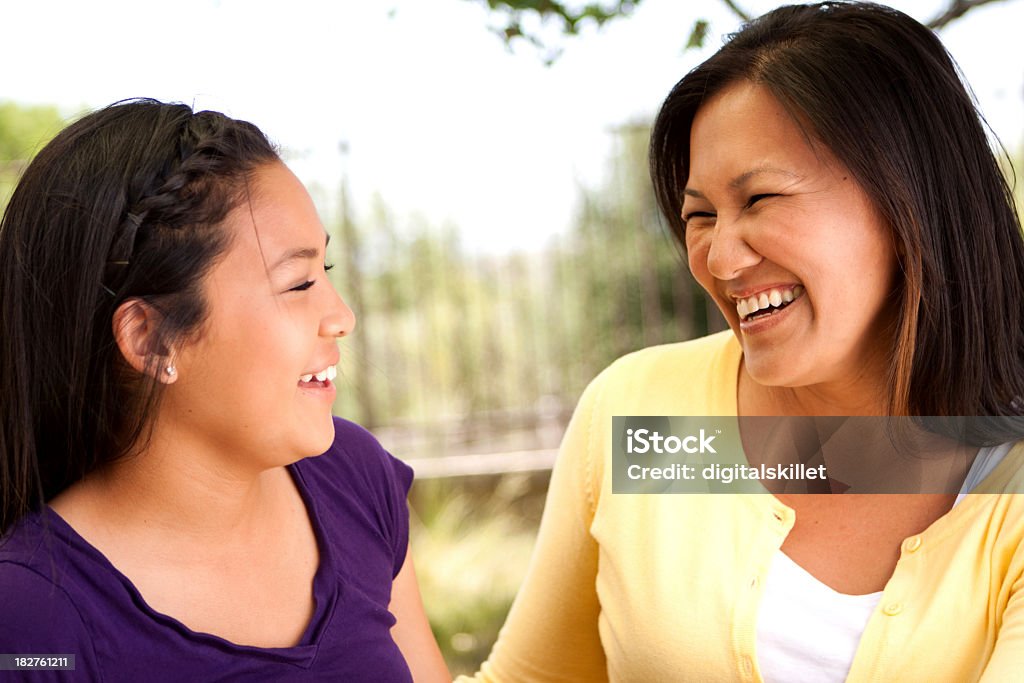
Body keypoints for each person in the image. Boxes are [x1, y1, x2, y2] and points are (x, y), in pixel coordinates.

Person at [463, 3, 1024, 681]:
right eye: (699, 215)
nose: (719, 259)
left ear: (910, 199)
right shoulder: (649, 420)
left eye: (759, 199)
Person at [0, 100, 450, 681]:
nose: (341, 317)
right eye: (299, 283)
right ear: (151, 337)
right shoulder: (31, 624)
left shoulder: (354, 478)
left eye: (327, 274)